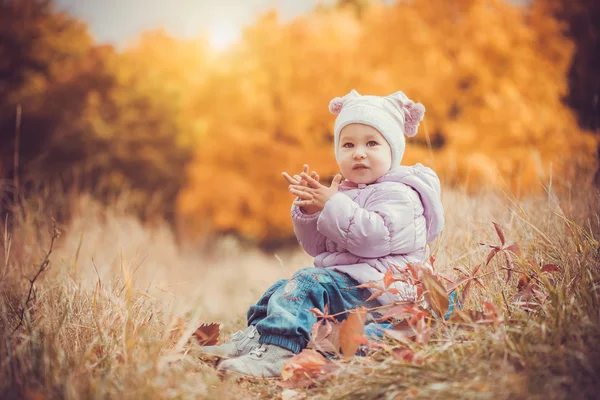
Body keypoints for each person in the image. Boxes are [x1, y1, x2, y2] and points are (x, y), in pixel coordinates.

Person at [200, 89, 445, 378]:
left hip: (383, 293)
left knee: (305, 284)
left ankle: (278, 352)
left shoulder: (402, 194)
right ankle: (256, 340)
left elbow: (373, 237)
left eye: (372, 143)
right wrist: (310, 211)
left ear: (393, 150)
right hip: (352, 284)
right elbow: (318, 248)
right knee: (284, 288)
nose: (359, 152)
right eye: (348, 144)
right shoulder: (344, 192)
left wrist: (332, 203)